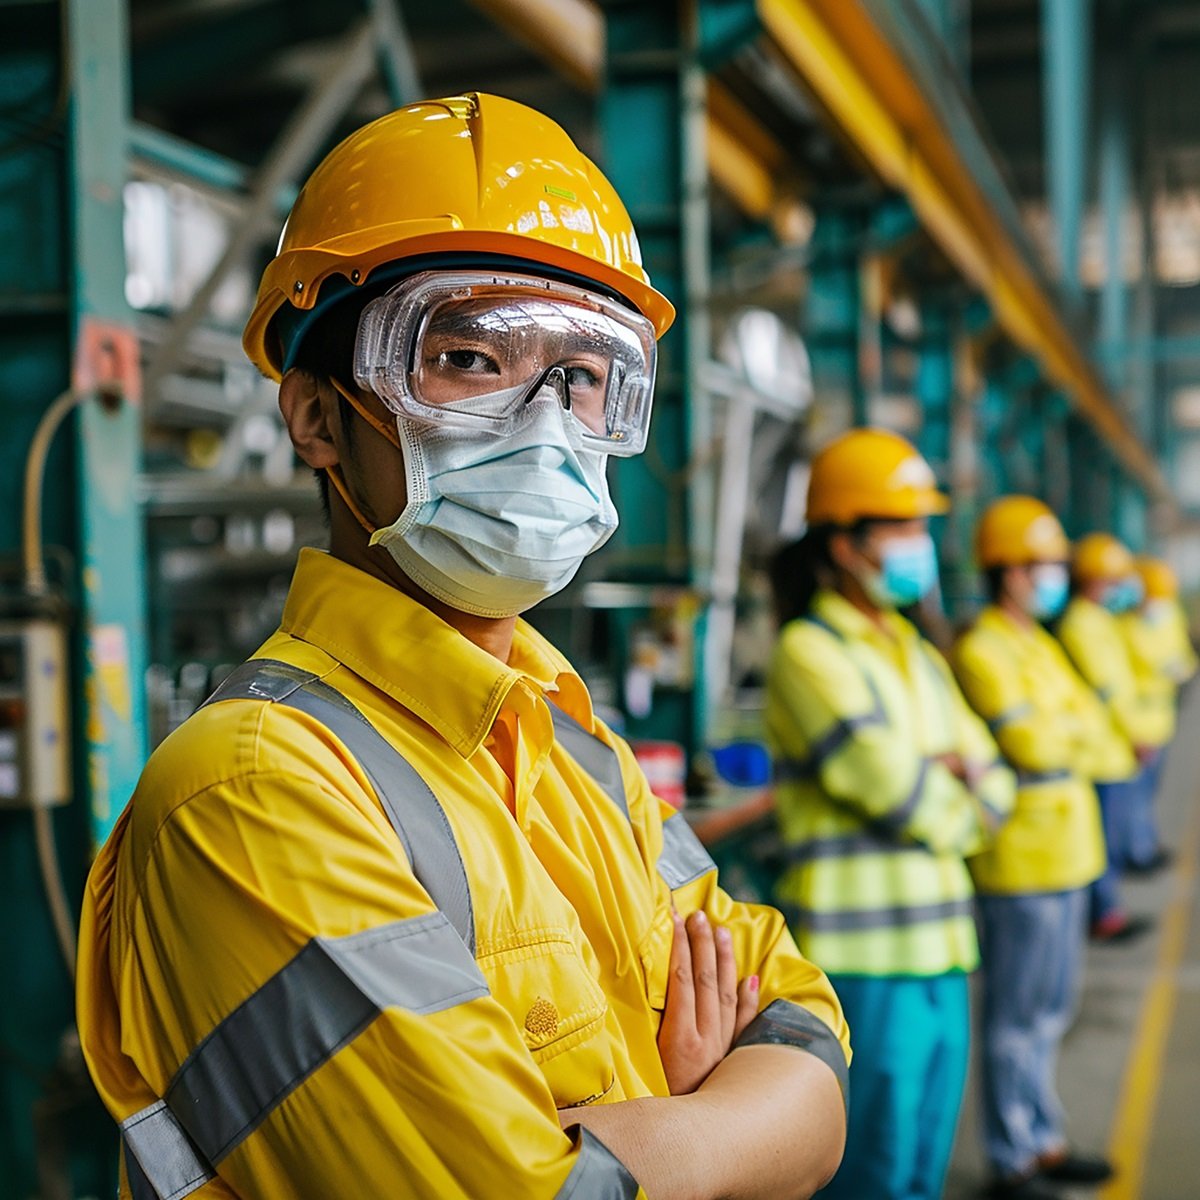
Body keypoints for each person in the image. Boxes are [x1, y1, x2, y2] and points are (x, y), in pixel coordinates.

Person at [75, 95, 850, 1199]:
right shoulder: (250, 791)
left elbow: (812, 1039)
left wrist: (653, 1139)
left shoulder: (578, 746)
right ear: (317, 416)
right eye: (469, 358)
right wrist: (715, 1113)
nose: (544, 422)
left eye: (584, 379)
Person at [764, 428, 1015, 1200]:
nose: (920, 544)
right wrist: (957, 788)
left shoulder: (915, 649)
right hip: (861, 961)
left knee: (921, 1168)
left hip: (942, 946)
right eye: (901, 527)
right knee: (869, 1172)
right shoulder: (810, 652)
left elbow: (998, 780)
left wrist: (961, 783)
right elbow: (898, 789)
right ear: (843, 544)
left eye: (921, 526)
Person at [952, 497, 1115, 1199]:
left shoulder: (1039, 644)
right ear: (1008, 572)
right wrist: (1070, 739)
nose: (1051, 576)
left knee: (1052, 1011)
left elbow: (1096, 733)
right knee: (1017, 1018)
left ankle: (1043, 1137)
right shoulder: (984, 648)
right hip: (1020, 861)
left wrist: (1068, 740)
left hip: (1070, 853)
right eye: (1041, 564)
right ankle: (1012, 1154)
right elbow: (1033, 742)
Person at [1057, 533, 1164, 940]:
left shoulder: (1101, 620)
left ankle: (1108, 907)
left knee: (1111, 837)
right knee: (1103, 840)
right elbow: (1109, 689)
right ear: (1093, 579)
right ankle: (1104, 913)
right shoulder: (1082, 624)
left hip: (1114, 748)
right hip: (1102, 754)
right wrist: (1138, 733)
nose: (1123, 588)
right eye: (1115, 579)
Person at [1118, 556, 1198, 873]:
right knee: (1133, 795)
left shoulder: (1169, 616)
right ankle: (1138, 851)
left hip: (1162, 719)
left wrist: (1180, 668)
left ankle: (1146, 843)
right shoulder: (1125, 627)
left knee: (1149, 790)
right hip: (1138, 725)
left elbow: (1183, 655)